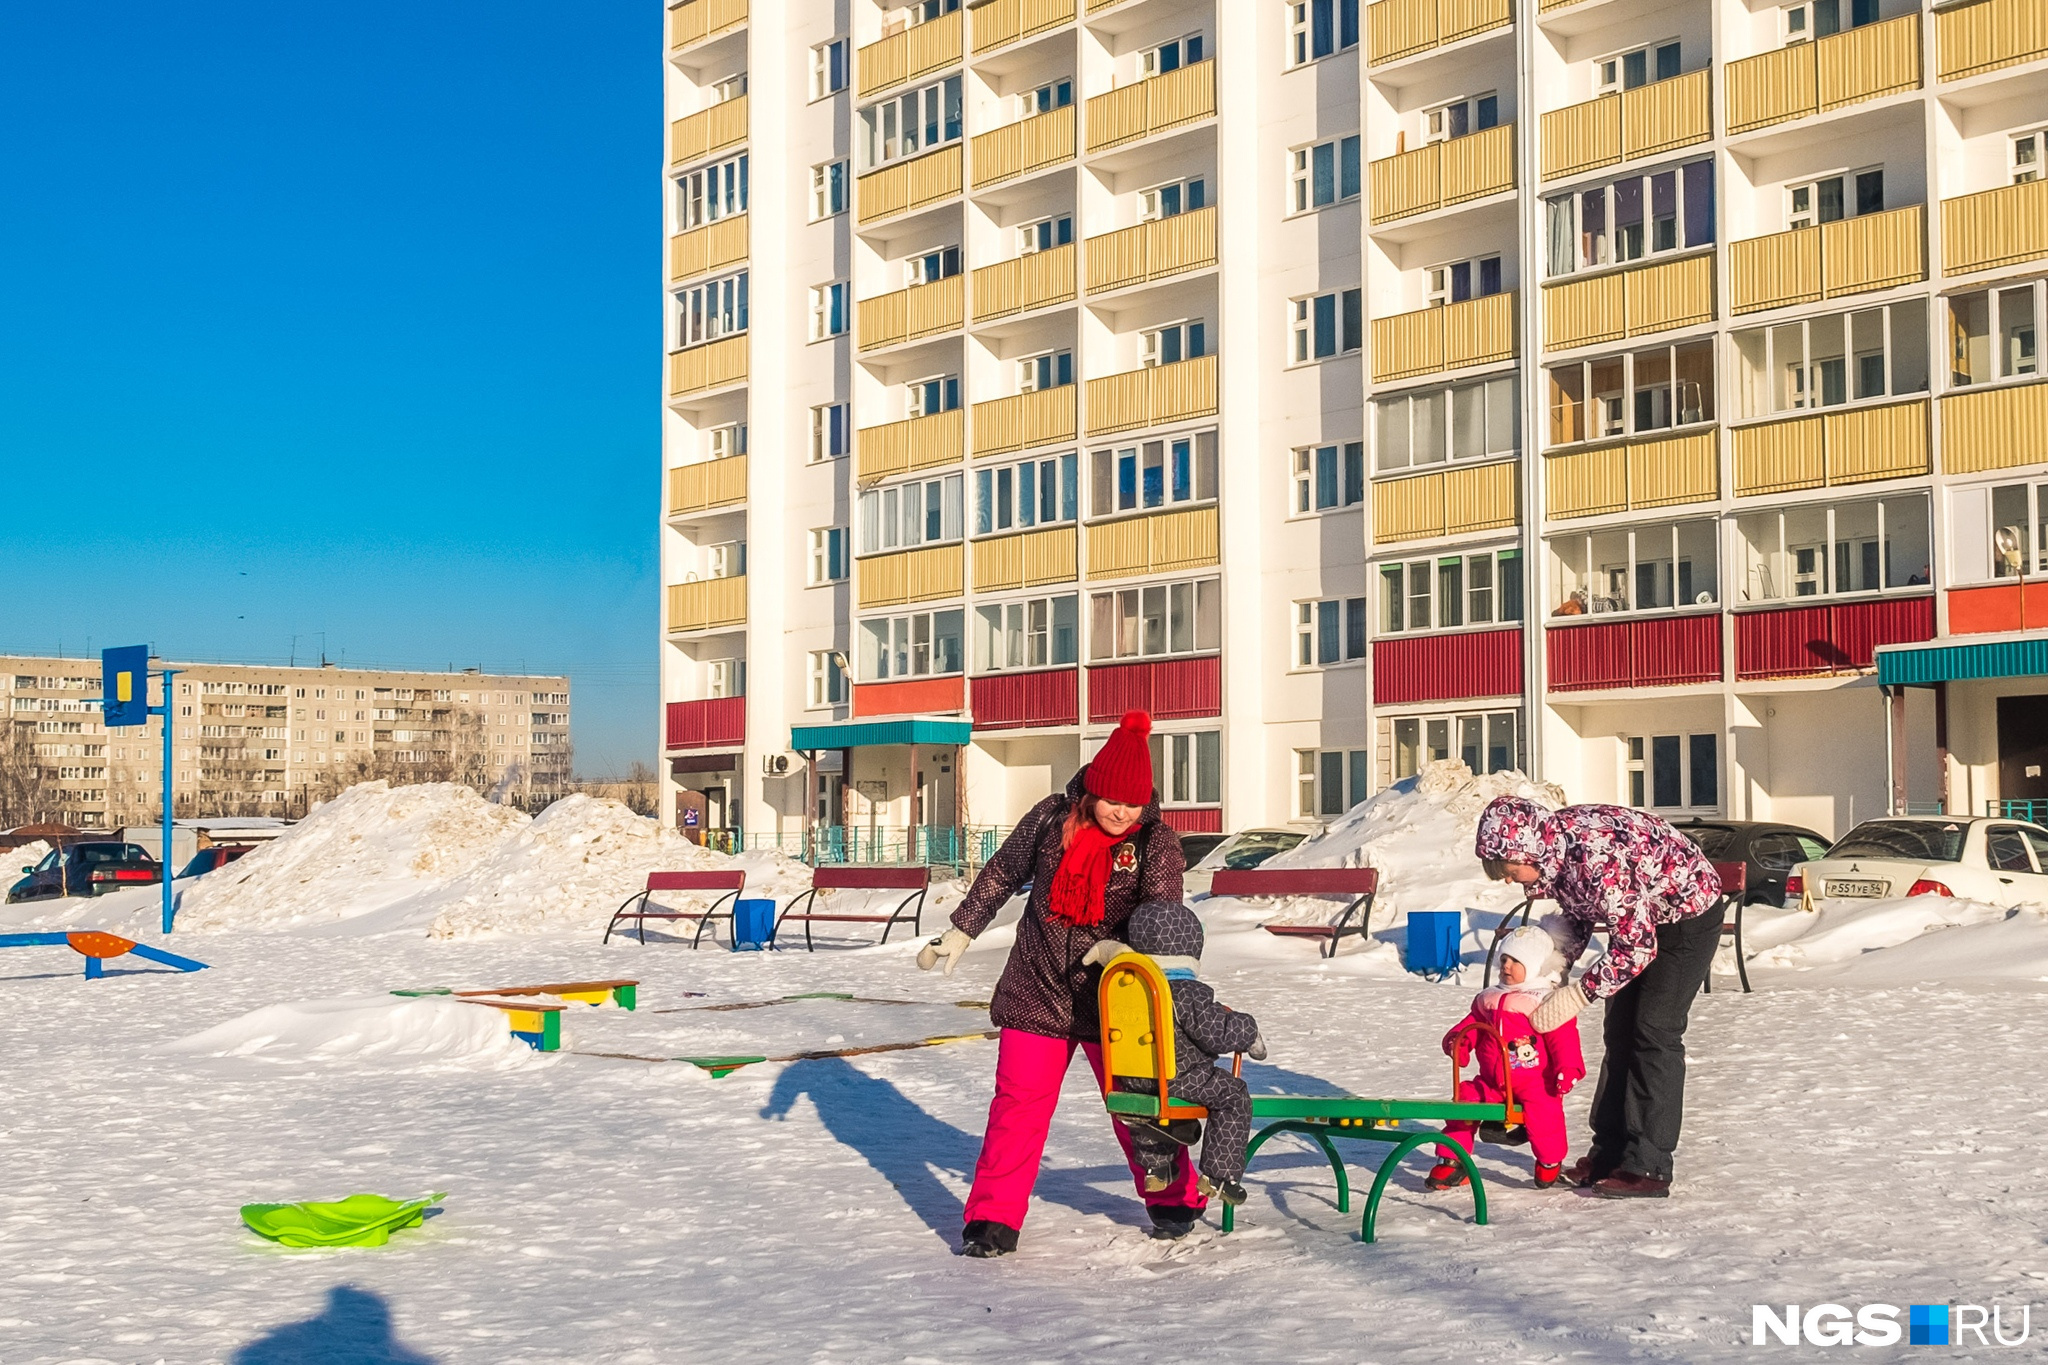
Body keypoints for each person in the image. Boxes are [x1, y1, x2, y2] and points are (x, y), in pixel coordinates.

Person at [915, 711, 1195, 1257]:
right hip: (1035, 985)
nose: (1122, 812)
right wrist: (962, 929)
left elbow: (1163, 917)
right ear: (1091, 789)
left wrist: (1127, 953)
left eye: (1133, 803)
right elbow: (1001, 872)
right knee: (1017, 1106)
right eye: (1113, 799)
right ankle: (992, 1221)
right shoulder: (1050, 819)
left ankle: (1174, 1200)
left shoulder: (1154, 842)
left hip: (1116, 999)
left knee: (1138, 1105)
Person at [1474, 797, 1722, 1199]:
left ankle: (1649, 1165)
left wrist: (1578, 994)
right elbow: (1580, 911)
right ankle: (1608, 1152)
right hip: (1642, 919)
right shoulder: (1557, 848)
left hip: (1686, 917)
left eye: (1508, 868)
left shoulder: (1594, 856)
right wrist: (1552, 973)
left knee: (1653, 1031)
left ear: (1529, 849)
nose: (1507, 879)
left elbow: (1637, 946)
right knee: (1619, 1031)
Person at [1083, 900, 1266, 1207]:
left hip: (1134, 1077)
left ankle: (1156, 1167)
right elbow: (1216, 1031)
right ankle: (1218, 1176)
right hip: (1181, 1077)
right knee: (1233, 1095)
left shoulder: (1127, 989)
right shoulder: (1185, 992)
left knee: (1152, 1111)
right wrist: (1248, 1031)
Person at [1428, 920, 1585, 1191]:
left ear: (1535, 965)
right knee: (1465, 1099)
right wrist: (1460, 1041)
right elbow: (1472, 1025)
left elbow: (1563, 1037)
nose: (1507, 966)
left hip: (1534, 1080)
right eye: (1504, 959)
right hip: (1491, 1082)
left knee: (1545, 1113)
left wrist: (1568, 1069)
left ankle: (1549, 1161)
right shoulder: (1489, 999)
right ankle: (1452, 1160)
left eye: (1516, 961)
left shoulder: (1544, 1001)